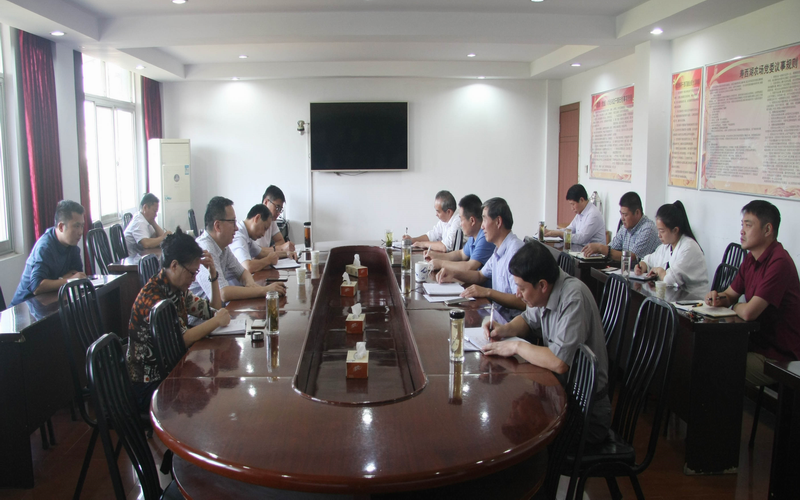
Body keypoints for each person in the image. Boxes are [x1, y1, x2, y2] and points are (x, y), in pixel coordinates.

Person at [482, 242, 611, 444]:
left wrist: (516, 346)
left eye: (521, 288)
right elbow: (528, 319)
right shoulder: (546, 288)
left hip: (585, 411)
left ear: (542, 285)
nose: (517, 294)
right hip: (560, 394)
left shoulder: (573, 298)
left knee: (523, 439)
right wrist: (503, 329)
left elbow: (559, 362)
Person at [126, 228, 231, 411]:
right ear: (174, 265)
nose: (194, 278)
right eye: (192, 273)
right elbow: (182, 339)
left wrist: (213, 274)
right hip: (150, 384)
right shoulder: (154, 299)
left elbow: (212, 310)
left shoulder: (175, 288)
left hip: (170, 369)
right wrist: (216, 321)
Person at [706, 200, 800, 388]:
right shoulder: (750, 258)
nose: (742, 231)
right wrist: (716, 298)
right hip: (755, 345)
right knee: (703, 352)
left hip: (778, 355)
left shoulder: (779, 262)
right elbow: (730, 295)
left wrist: (736, 306)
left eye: (748, 225)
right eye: (742, 225)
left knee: (715, 367)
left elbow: (749, 313)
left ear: (767, 230)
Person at [437, 197, 525, 311]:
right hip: (496, 313)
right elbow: (480, 276)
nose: (482, 226)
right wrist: (453, 273)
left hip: (509, 319)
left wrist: (487, 292)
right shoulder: (499, 249)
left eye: (484, 220)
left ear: (498, 222)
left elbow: (522, 302)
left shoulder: (515, 252)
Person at [191, 196, 286, 302]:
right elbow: (223, 293)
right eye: (232, 222)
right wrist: (264, 290)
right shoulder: (205, 249)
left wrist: (251, 285)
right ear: (217, 226)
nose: (236, 228)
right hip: (204, 312)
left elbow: (242, 272)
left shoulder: (223, 247)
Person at [10, 200, 86, 307]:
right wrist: (68, 280)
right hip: (26, 306)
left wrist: (61, 280)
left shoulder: (72, 245)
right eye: (76, 226)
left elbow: (78, 274)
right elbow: (37, 286)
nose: (81, 232)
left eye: (82, 226)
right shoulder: (45, 247)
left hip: (51, 301)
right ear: (61, 227)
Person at [635, 201, 708, 299]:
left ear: (675, 230)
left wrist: (659, 270)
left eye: (662, 231)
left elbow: (669, 280)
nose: (659, 235)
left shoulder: (689, 248)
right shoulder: (667, 246)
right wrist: (641, 266)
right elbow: (649, 260)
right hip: (674, 299)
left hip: (693, 301)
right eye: (658, 230)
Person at [424, 194, 495, 272]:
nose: (460, 224)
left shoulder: (484, 237)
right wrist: (436, 256)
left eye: (461, 220)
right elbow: (461, 254)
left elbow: (470, 266)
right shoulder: (473, 235)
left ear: (472, 221)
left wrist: (441, 264)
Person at [582, 191, 660, 262]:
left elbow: (632, 257)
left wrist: (601, 248)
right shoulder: (625, 228)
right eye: (621, 214)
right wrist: (598, 249)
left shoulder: (648, 229)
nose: (622, 218)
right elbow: (612, 247)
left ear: (637, 212)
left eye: (625, 215)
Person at [230, 204, 297, 273]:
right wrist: (268, 260)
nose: (263, 234)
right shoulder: (238, 236)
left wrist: (287, 253)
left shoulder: (247, 234)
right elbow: (248, 267)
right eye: (264, 228)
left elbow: (262, 253)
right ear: (257, 218)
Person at [124, 193, 171, 257]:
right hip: (132, 259)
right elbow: (146, 243)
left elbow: (158, 237)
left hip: (140, 256)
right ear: (145, 207)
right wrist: (164, 237)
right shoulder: (139, 222)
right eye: (154, 211)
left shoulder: (146, 219)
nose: (156, 215)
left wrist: (154, 223)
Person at [256, 185, 295, 253]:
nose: (279, 213)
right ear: (266, 202)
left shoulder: (272, 220)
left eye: (280, 209)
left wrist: (271, 250)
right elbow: (256, 252)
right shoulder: (256, 221)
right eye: (277, 207)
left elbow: (281, 241)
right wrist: (278, 249)